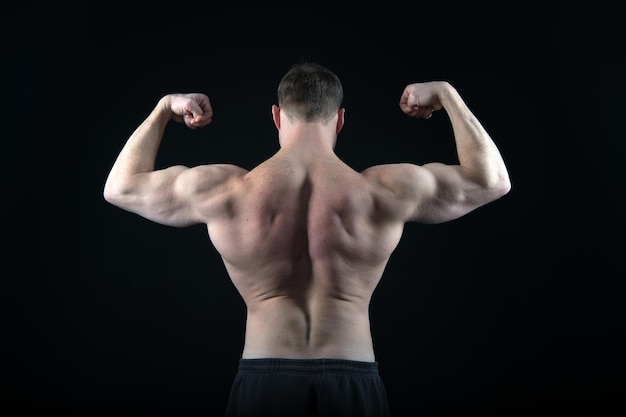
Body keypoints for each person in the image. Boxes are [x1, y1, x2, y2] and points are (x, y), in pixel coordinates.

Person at [103, 62, 511, 416]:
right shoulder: (384, 191)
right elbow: (491, 181)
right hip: (354, 378)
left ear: (277, 117)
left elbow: (119, 188)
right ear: (340, 120)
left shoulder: (227, 190)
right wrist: (446, 94)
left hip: (264, 381)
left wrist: (162, 109)